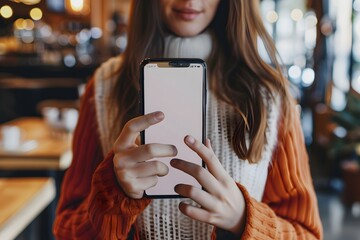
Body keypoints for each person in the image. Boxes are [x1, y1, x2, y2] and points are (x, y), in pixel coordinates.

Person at [53, 0, 323, 239]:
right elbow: (65, 228)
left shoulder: (269, 96)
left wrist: (243, 219)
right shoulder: (103, 88)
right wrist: (115, 194)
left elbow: (307, 233)